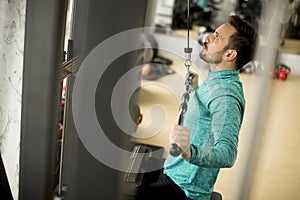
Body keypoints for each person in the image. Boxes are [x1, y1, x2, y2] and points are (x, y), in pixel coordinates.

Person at [136, 15, 257, 200]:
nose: (207, 38)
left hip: (183, 189)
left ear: (230, 54)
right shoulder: (216, 80)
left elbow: (228, 153)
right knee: (133, 168)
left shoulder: (226, 96)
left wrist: (189, 151)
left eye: (216, 37)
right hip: (173, 170)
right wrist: (193, 90)